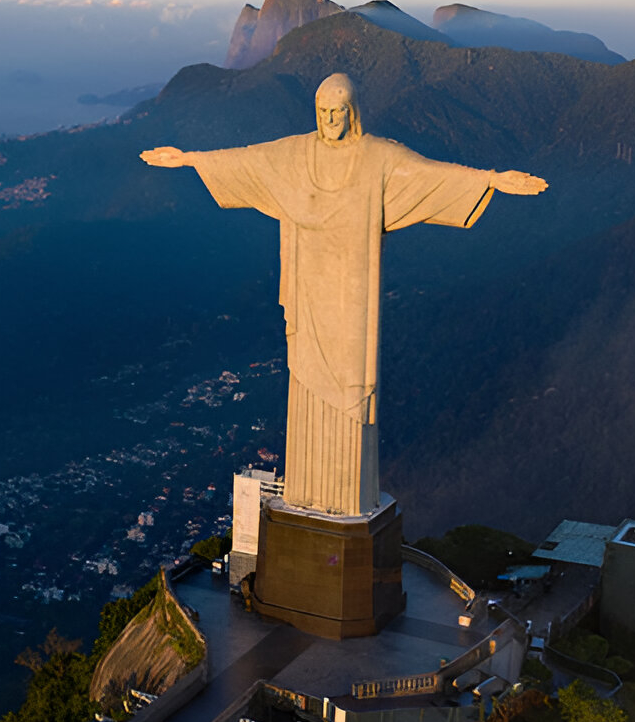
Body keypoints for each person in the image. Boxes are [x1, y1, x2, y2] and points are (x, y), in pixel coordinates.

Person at [141, 73, 546, 515]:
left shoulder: (379, 158)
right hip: (308, 288)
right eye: (323, 111)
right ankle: (307, 499)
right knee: (306, 380)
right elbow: (248, 161)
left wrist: (489, 179)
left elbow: (429, 174)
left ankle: (347, 500)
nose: (331, 119)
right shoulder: (295, 154)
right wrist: (189, 159)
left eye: (339, 111)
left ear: (352, 112)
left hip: (352, 295)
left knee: (353, 386)